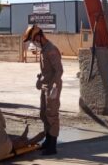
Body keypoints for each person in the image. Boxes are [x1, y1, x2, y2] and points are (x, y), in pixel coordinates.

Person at [22, 25, 62, 155]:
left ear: (39, 36)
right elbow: (47, 70)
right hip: (45, 86)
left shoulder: (51, 50)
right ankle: (48, 140)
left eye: (34, 40)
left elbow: (59, 71)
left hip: (52, 87)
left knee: (52, 115)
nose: (34, 43)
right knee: (44, 114)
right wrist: (40, 79)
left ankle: (52, 145)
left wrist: (54, 89)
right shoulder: (44, 50)